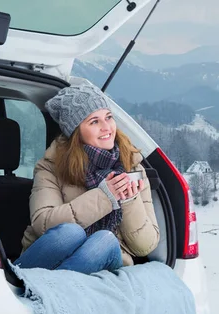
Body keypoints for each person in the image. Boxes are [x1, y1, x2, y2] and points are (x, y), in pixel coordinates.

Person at [14, 82, 160, 274]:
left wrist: (129, 200)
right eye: (94, 121)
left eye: (108, 117)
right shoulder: (51, 167)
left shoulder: (132, 166)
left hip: (102, 258)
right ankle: (49, 287)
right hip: (48, 258)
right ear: (76, 132)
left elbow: (145, 246)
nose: (106, 127)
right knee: (69, 232)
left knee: (105, 240)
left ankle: (49, 290)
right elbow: (43, 223)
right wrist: (105, 197)